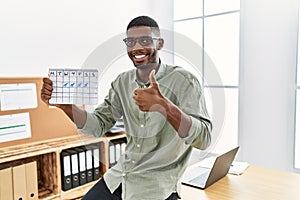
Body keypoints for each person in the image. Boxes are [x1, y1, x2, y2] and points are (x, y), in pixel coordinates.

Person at [41, 15, 212, 200]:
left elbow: (204, 139)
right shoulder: (122, 82)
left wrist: (164, 106)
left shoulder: (184, 81)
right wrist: (66, 106)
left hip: (157, 186)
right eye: (130, 42)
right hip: (121, 176)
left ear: (160, 43)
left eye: (145, 40)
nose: (137, 48)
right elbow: (98, 125)